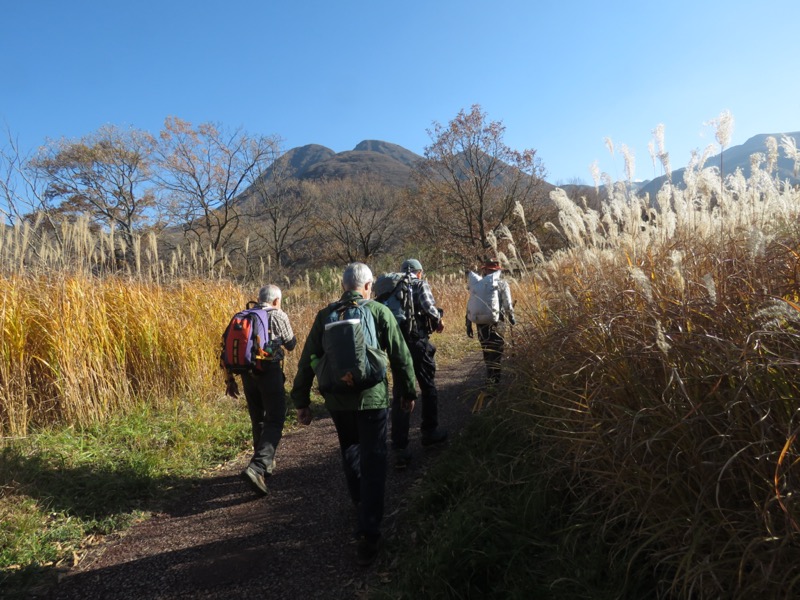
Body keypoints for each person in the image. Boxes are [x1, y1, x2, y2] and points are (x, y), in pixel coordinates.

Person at [290, 262, 417, 567]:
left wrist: (301, 400)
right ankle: (369, 531)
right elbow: (400, 355)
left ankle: (360, 502)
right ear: (368, 286)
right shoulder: (378, 311)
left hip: (337, 399)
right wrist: (408, 392)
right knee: (374, 458)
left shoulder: (325, 315)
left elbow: (308, 359)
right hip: (371, 398)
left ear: (343, 285)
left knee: (350, 447)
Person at [225, 284, 297, 496]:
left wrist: (230, 380)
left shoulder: (244, 315)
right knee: (275, 418)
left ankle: (264, 465)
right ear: (276, 301)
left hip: (247, 373)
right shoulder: (277, 314)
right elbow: (291, 344)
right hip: (269, 371)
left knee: (258, 418)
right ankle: (257, 467)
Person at [391, 259, 447, 470]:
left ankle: (400, 448)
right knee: (428, 386)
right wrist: (439, 321)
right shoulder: (418, 284)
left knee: (401, 392)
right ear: (419, 272)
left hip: (397, 344)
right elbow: (429, 307)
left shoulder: (393, 286)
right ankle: (430, 432)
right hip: (416, 341)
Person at [465, 259, 516, 384]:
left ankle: (490, 379)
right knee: (497, 352)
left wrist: (468, 324)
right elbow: (508, 304)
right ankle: (495, 381)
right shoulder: (502, 284)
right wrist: (512, 318)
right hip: (499, 322)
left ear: (485, 270)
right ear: (498, 270)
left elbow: (471, 305)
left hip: (481, 324)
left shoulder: (478, 284)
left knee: (486, 350)